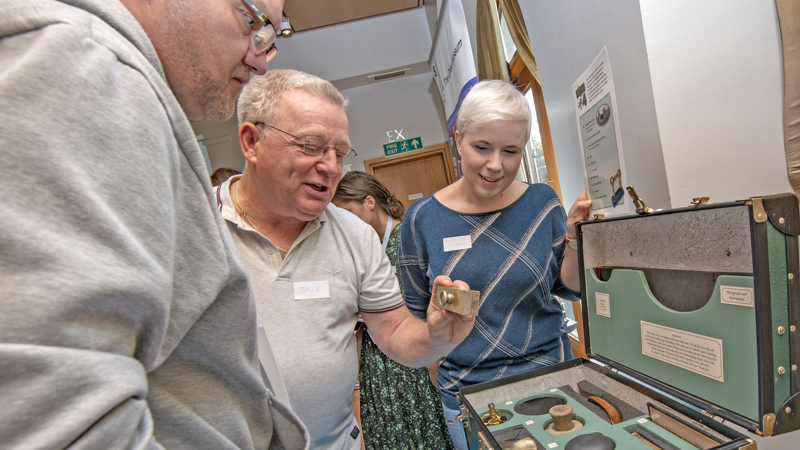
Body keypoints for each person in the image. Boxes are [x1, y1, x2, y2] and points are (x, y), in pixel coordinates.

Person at [0, 0, 308, 448]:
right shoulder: (90, 71)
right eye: (252, 23)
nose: (259, 60)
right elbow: (56, 415)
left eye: (270, 41)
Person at [215, 69, 476, 449]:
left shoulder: (354, 235)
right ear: (252, 141)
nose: (331, 166)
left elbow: (394, 332)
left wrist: (436, 337)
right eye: (310, 145)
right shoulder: (185, 226)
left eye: (339, 152)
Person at [399, 80, 592, 449]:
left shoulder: (541, 203)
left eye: (510, 151)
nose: (495, 165)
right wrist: (441, 373)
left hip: (550, 375)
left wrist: (574, 238)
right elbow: (415, 314)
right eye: (481, 147)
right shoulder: (421, 219)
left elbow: (568, 288)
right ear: (458, 139)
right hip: (469, 393)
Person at [333, 171, 455, 450]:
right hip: (380, 360)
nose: (344, 223)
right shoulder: (364, 246)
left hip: (414, 352)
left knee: (423, 429)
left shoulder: (406, 237)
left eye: (348, 212)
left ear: (370, 202)